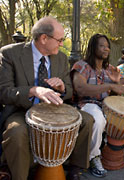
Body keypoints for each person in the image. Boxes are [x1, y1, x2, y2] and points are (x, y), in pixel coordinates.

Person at [0, 17, 94, 180]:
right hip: (21, 110)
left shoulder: (61, 58)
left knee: (86, 120)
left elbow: (70, 92)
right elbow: (4, 92)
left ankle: (74, 167)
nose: (62, 44)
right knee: (16, 131)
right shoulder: (10, 54)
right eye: (60, 40)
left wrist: (62, 88)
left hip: (54, 110)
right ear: (44, 38)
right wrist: (33, 90)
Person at [71, 34, 124, 178]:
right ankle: (94, 157)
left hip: (107, 105)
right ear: (93, 47)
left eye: (107, 46)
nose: (106, 49)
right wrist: (109, 85)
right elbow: (80, 89)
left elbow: (122, 89)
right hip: (87, 104)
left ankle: (118, 146)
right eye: (102, 46)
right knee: (98, 119)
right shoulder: (82, 66)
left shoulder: (110, 69)